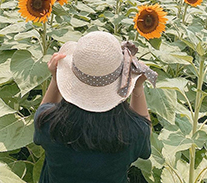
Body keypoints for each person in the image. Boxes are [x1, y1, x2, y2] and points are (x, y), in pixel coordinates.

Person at [34, 31, 158, 183]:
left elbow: (40, 117)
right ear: (124, 78)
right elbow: (145, 144)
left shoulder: (48, 122)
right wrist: (138, 88)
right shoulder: (134, 132)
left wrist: (55, 80)